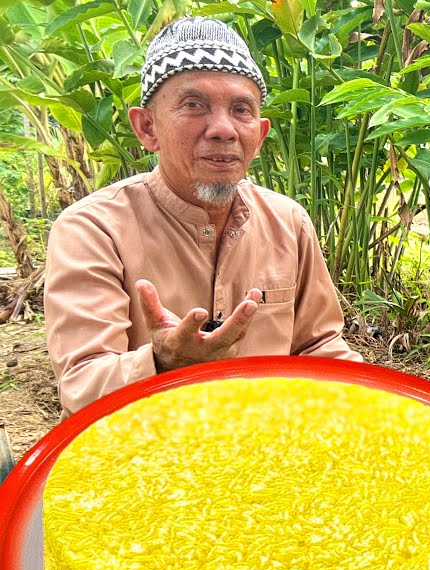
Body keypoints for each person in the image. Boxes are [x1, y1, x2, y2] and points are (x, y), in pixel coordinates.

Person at [44, 17, 361, 417]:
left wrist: (388, 407)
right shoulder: (93, 230)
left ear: (259, 136)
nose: (223, 129)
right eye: (194, 105)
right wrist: (163, 362)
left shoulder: (289, 222)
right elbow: (81, 383)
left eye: (241, 110)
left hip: (270, 449)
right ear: (147, 127)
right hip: (146, 459)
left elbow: (319, 348)